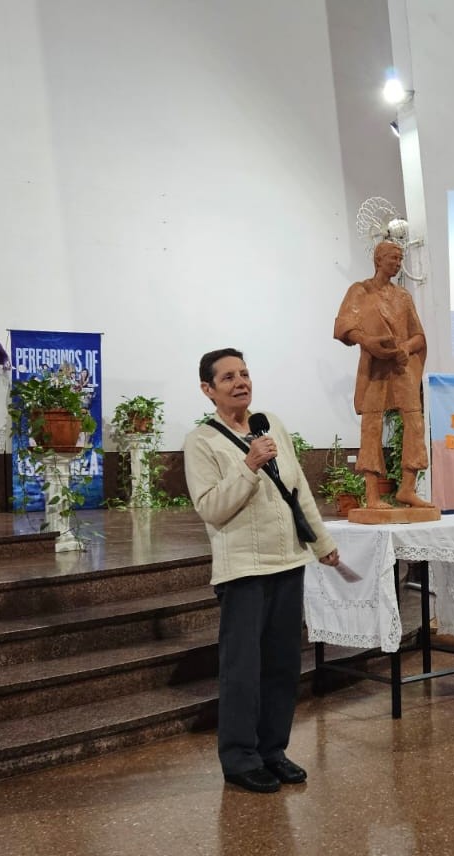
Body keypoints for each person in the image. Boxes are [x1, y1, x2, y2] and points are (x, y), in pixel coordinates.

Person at [183, 348, 340, 794]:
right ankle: (240, 759)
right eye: (228, 377)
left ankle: (273, 750)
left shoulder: (269, 424)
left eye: (245, 373)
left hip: (288, 561)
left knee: (282, 666)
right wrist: (249, 466)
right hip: (243, 570)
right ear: (208, 389)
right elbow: (211, 508)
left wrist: (322, 543)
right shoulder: (201, 441)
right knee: (243, 670)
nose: (241, 382)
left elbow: (298, 489)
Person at [333, 240, 434, 509]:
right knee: (371, 426)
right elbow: (343, 326)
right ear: (378, 260)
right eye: (393, 258)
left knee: (414, 422)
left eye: (400, 259)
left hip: (401, 369)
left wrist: (405, 347)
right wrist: (367, 341)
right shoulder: (360, 291)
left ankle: (407, 489)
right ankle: (372, 495)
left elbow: (419, 336)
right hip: (374, 368)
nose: (398, 264)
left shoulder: (403, 297)